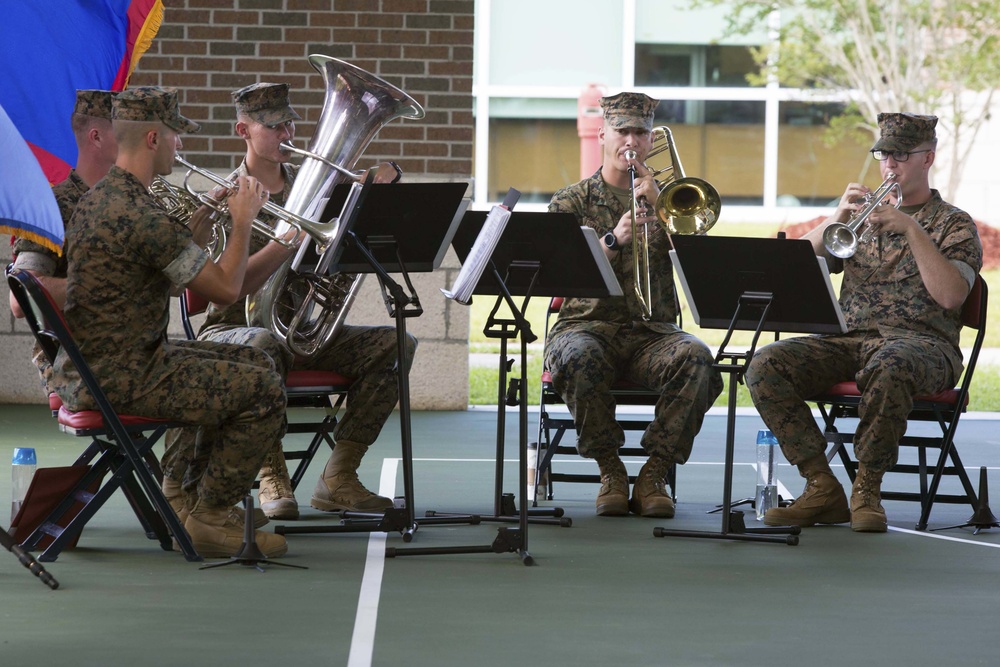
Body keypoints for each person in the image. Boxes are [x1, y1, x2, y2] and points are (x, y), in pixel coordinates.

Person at [49, 86, 289, 558]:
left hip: (102, 367)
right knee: (264, 390)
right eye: (177, 135)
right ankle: (209, 516)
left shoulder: (103, 199)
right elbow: (221, 289)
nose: (181, 146)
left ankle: (195, 497)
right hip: (125, 375)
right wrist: (243, 221)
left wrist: (202, 219)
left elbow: (164, 268)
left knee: (256, 360)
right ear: (155, 139)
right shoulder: (139, 213)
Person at [160, 82, 415, 521]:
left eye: (291, 123)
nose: (288, 133)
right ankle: (269, 469)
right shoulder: (224, 196)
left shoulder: (320, 188)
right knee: (264, 343)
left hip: (295, 329)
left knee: (397, 344)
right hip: (233, 331)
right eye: (274, 125)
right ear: (244, 130)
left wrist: (376, 185)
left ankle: (339, 476)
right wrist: (284, 241)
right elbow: (221, 287)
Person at [745, 112, 983, 533]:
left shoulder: (954, 224)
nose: (889, 165)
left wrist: (912, 229)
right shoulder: (861, 219)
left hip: (924, 346)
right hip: (849, 341)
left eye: (900, 155)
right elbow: (789, 269)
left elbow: (951, 295)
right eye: (883, 154)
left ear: (927, 158)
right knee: (765, 364)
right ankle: (821, 485)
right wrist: (835, 218)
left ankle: (867, 489)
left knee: (890, 365)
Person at [545, 92, 724, 518]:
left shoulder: (670, 198)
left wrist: (663, 202)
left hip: (653, 334)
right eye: (622, 130)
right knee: (577, 357)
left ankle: (654, 473)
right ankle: (611, 470)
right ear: (603, 133)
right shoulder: (571, 200)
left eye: (640, 133)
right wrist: (613, 240)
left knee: (697, 358)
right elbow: (559, 276)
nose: (631, 140)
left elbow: (703, 265)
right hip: (585, 328)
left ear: (650, 140)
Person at [9, 90, 118, 387]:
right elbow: (22, 296)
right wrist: (119, 287)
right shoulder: (54, 206)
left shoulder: (128, 201)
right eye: (125, 129)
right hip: (72, 356)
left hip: (127, 347)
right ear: (96, 137)